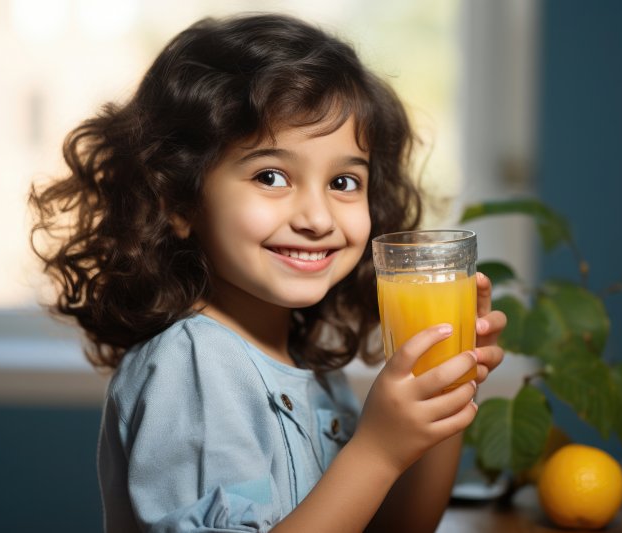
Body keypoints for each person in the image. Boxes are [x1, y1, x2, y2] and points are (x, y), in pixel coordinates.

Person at [29, 13, 506, 533]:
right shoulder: (193, 366)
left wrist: (446, 398)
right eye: (272, 176)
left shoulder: (311, 369)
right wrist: (376, 452)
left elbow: (398, 527)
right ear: (178, 202)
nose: (317, 218)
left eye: (344, 181)